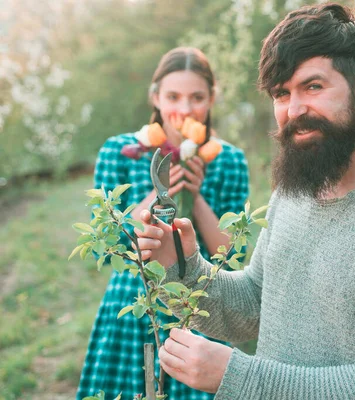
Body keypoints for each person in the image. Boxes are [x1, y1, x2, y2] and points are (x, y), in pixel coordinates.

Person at [137, 4, 355, 399]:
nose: (293, 111)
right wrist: (184, 266)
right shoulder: (302, 183)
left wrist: (233, 375)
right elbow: (256, 306)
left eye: (313, 87)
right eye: (281, 94)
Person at [76, 47, 250, 400]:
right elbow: (113, 248)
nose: (185, 109)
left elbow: (229, 256)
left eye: (197, 97)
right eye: (173, 96)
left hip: (199, 307)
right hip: (134, 304)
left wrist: (195, 195)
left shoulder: (229, 159)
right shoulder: (119, 151)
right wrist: (162, 187)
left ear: (212, 98)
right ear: (155, 96)